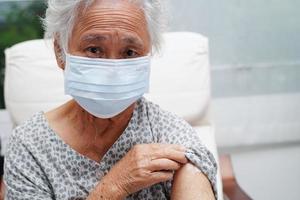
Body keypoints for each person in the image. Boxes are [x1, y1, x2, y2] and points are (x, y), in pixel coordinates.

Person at [4, 0, 218, 199]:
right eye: (94, 49)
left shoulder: (169, 136)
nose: (112, 71)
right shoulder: (30, 146)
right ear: (61, 51)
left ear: (147, 56)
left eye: (129, 52)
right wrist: (115, 186)